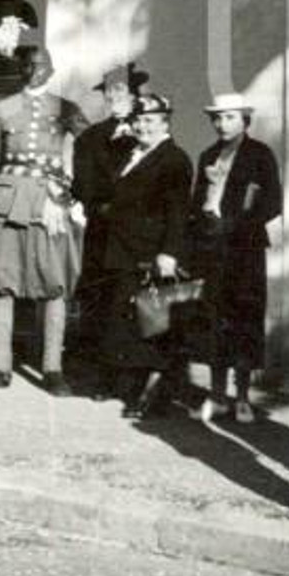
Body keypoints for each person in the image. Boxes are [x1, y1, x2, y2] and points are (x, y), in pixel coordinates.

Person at [0, 37, 89, 395]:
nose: (33, 71)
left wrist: (72, 191)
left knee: (53, 282)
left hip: (49, 202)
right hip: (9, 201)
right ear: (20, 68)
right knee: (3, 282)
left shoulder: (65, 107)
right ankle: (0, 367)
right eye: (27, 65)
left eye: (41, 65)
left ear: (52, 70)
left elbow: (91, 148)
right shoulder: (3, 107)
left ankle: (52, 368)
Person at [98, 93, 194, 417]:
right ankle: (130, 385)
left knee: (152, 320)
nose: (142, 126)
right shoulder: (131, 153)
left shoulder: (174, 159)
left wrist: (169, 252)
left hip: (150, 251)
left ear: (165, 123)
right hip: (122, 248)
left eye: (150, 120)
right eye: (138, 120)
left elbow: (178, 212)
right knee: (127, 317)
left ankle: (152, 393)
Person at [190, 93, 282, 424]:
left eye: (229, 117)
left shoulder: (259, 155)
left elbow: (273, 202)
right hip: (212, 250)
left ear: (244, 119)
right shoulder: (208, 155)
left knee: (243, 321)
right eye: (217, 118)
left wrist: (236, 224)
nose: (221, 124)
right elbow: (195, 201)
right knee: (214, 320)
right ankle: (217, 396)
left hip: (244, 251)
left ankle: (242, 396)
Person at [71, 61, 149, 369]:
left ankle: (130, 373)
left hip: (137, 234)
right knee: (100, 298)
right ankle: (100, 371)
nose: (114, 96)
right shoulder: (90, 138)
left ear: (133, 94)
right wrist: (98, 206)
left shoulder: (148, 132)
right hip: (103, 230)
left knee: (131, 300)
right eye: (109, 91)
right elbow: (83, 184)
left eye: (121, 90)